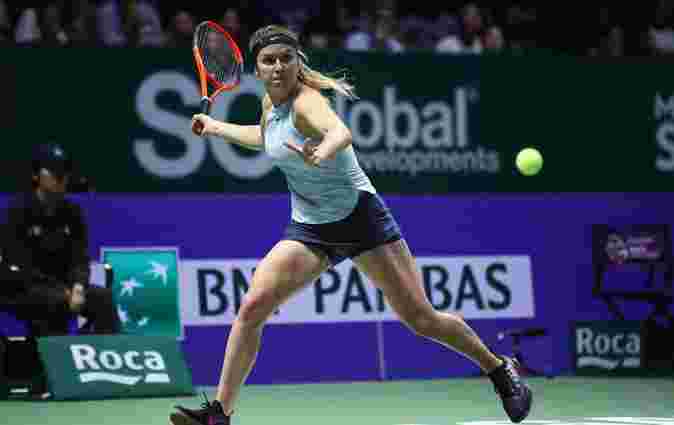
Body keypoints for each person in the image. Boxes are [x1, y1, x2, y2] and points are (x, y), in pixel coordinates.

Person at [170, 25, 532, 425]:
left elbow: (339, 131)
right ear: (257, 70)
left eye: (286, 59)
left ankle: (499, 369)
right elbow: (265, 136)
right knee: (253, 306)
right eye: (269, 61)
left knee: (421, 319)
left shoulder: (307, 102)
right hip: (311, 227)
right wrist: (216, 127)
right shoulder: (270, 105)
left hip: (361, 221)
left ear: (298, 63)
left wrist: (323, 151)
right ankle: (219, 414)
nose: (278, 67)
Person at [0, 143, 120, 337]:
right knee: (52, 301)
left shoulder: (73, 213)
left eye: (64, 171)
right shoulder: (18, 211)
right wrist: (61, 291)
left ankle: (108, 353)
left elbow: (79, 258)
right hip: (25, 288)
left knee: (102, 298)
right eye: (53, 171)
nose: (61, 177)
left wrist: (78, 286)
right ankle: (48, 354)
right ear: (36, 175)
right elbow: (17, 263)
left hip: (66, 288)